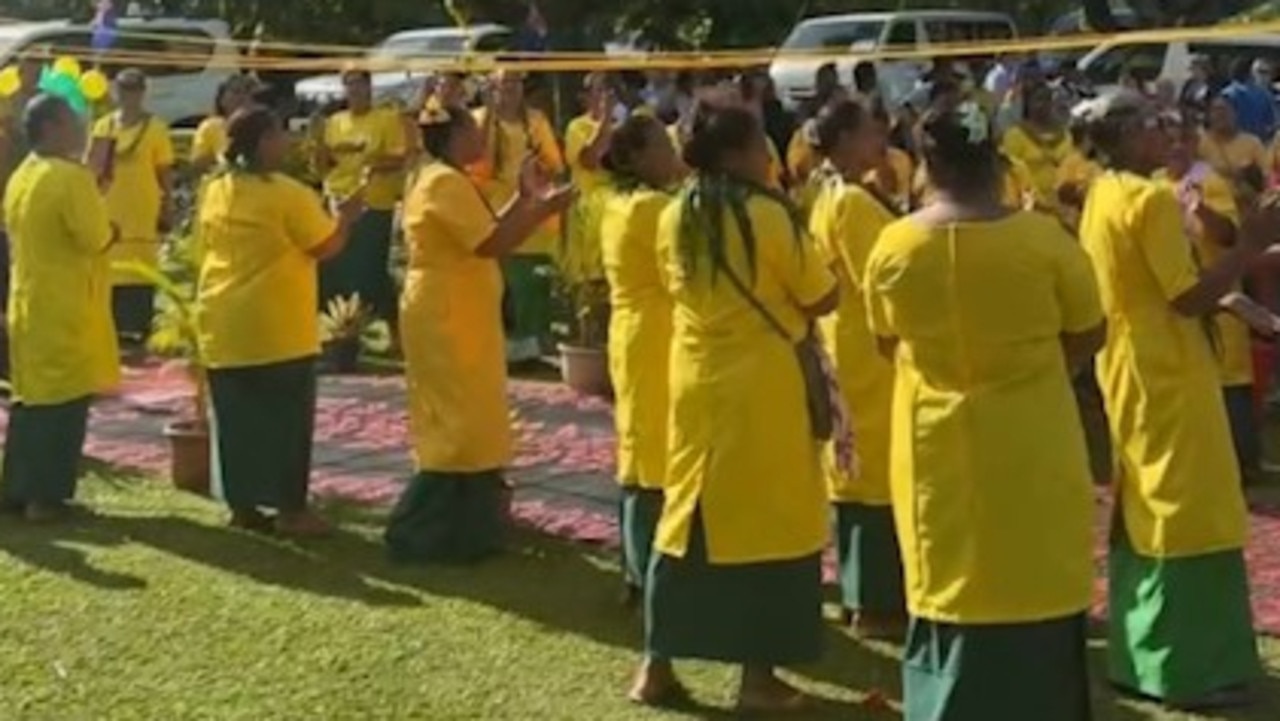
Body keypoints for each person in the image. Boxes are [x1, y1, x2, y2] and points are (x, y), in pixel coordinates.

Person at [866, 103, 1104, 720]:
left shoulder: (894, 245)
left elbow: (885, 342)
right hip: (1034, 440)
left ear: (927, 163)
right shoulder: (1044, 240)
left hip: (934, 450)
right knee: (1037, 578)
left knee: (951, 585)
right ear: (998, 161)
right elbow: (1088, 332)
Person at [628, 104, 839, 713]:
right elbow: (822, 296)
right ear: (733, 154)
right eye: (757, 145)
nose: (767, 155)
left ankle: (655, 667)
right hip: (763, 389)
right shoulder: (769, 217)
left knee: (686, 517)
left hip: (696, 383)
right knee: (769, 524)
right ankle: (758, 681)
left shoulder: (673, 216)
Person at [1080, 90, 1275, 709]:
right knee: (1185, 507)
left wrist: (1241, 303)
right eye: (1149, 124)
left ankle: (1146, 653)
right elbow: (1184, 295)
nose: (1164, 132)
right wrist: (1248, 245)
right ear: (1123, 136)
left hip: (1132, 364)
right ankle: (1185, 665)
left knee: (1147, 501)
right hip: (1166, 369)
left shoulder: (1104, 192)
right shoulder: (1148, 200)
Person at [385, 100, 572, 564]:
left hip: (459, 308)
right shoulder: (444, 181)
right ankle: (420, 529)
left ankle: (475, 525)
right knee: (459, 419)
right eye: (473, 128)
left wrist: (526, 200)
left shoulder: (444, 177)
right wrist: (544, 207)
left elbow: (487, 229)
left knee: (474, 410)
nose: (481, 137)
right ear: (454, 136)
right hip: (447, 311)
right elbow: (493, 242)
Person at [198, 106, 364, 536]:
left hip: (223, 322)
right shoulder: (287, 193)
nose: (286, 142)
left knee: (237, 423)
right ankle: (292, 511)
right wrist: (346, 218)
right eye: (279, 135)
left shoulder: (215, 190)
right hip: (275, 327)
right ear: (261, 143)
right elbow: (324, 246)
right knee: (286, 425)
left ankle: (243, 506)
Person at [807, 100, 906, 638]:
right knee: (873, 475)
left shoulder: (833, 193)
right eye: (871, 131)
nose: (881, 138)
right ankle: (875, 603)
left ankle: (858, 594)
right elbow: (882, 281)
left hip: (847, 344)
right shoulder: (852, 203)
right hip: (869, 351)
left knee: (854, 469)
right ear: (845, 139)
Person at [2, 94, 118, 522]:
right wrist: (112, 226)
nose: (81, 128)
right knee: (63, 403)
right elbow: (95, 237)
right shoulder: (69, 177)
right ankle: (44, 497)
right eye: (72, 121)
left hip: (27, 302)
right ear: (50, 127)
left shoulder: (22, 174)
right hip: (64, 304)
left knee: (29, 400)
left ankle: (17, 489)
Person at [597, 114, 681, 602]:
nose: (674, 156)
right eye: (664, 148)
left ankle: (636, 567)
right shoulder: (654, 208)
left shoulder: (617, 203)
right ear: (640, 158)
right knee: (654, 456)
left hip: (631, 331)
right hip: (656, 334)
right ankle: (649, 570)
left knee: (638, 448)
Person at [1160, 112, 1270, 479]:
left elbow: (1227, 236)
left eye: (1183, 139)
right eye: (1169, 139)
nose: (1176, 146)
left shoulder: (1209, 181)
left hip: (1219, 296)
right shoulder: (1152, 184)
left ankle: (1245, 464)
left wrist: (1201, 211)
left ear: (1194, 143)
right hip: (1175, 301)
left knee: (1229, 384)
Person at [470, 68, 565, 364]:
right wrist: (488, 113)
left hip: (530, 209)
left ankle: (533, 340)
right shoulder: (478, 119)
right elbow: (474, 160)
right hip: (492, 208)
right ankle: (498, 342)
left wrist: (539, 170)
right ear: (491, 88)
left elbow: (555, 165)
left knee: (531, 279)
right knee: (496, 280)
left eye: (515, 83)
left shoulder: (535, 121)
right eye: (503, 84)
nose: (510, 89)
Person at [312, 66, 407, 325]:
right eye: (349, 84)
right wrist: (318, 142)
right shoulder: (335, 122)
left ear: (369, 87)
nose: (354, 89)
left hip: (373, 202)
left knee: (368, 268)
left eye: (359, 83)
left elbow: (400, 158)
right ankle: (339, 325)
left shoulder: (386, 119)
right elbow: (324, 166)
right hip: (337, 202)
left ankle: (382, 320)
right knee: (335, 266)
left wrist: (372, 167)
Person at [90, 69, 175, 346]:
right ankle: (111, 326)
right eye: (124, 89)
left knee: (140, 266)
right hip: (109, 207)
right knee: (110, 266)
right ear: (116, 92)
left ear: (143, 92)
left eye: (135, 89)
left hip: (142, 206)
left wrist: (168, 203)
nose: (129, 95)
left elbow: (164, 172)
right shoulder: (103, 126)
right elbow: (93, 168)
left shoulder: (156, 128)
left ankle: (138, 325)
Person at [561, 72, 615, 285]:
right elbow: (589, 160)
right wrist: (605, 121)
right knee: (591, 282)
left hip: (615, 207)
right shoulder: (577, 127)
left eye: (608, 90)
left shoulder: (621, 126)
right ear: (585, 97)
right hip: (588, 210)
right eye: (599, 90)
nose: (605, 96)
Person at [1001, 83, 1074, 213]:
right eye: (1039, 99)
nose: (1044, 104)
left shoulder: (1065, 134)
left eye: (1048, 99)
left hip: (1063, 205)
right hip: (1029, 207)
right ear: (1027, 104)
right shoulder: (1015, 135)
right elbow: (1009, 175)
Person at [1200, 93, 1268, 200]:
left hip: (1245, 204)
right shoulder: (1200, 143)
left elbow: (1266, 177)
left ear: (1235, 113)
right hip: (1211, 204)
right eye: (1214, 110)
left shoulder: (1252, 143)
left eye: (1224, 109)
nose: (1219, 114)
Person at [190, 75, 257, 174]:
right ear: (222, 99)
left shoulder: (264, 125)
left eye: (248, 93)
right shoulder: (211, 126)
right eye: (236, 92)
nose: (243, 97)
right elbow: (198, 165)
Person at [1223, 57, 1276, 141]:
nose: (1262, 77)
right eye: (1260, 72)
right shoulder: (1264, 96)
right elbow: (1271, 124)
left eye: (1266, 72)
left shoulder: (1227, 94)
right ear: (1251, 73)